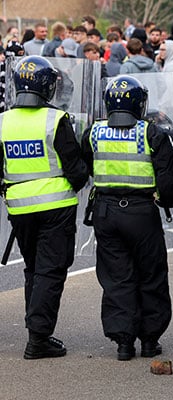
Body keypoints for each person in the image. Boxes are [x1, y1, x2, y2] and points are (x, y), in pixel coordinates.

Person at [80, 75, 173, 360]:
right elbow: (167, 181)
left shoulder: (94, 131)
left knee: (116, 277)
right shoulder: (151, 133)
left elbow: (86, 165)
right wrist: (166, 200)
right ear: (140, 103)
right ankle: (150, 340)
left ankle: (124, 342)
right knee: (151, 274)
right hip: (142, 212)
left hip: (105, 212)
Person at [0, 56, 88, 358]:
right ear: (48, 87)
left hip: (19, 208)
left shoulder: (2, 120)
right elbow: (76, 169)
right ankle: (38, 338)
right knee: (50, 272)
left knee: (34, 269)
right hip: (56, 205)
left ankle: (36, 330)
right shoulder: (56, 119)